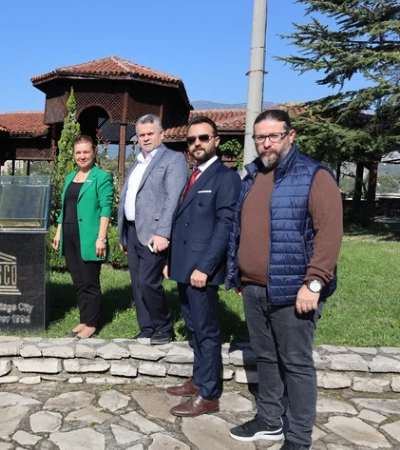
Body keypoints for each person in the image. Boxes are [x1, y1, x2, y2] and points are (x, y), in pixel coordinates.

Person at [226, 110, 342, 450]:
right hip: (254, 287)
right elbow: (241, 229)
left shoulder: (313, 175)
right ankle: (269, 420)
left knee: (296, 363)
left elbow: (330, 232)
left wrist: (315, 282)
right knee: (266, 356)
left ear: (290, 136)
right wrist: (238, 272)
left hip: (295, 291)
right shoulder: (252, 176)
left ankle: (298, 438)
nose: (265, 143)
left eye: (273, 136)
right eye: (259, 137)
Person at [162, 116, 241, 417]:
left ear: (216, 140)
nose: (197, 144)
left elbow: (225, 225)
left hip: (201, 272)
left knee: (207, 331)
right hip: (184, 267)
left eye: (203, 138)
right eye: (192, 140)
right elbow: (182, 224)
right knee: (194, 329)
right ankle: (198, 380)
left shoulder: (225, 177)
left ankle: (209, 394)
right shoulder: (194, 176)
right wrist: (171, 262)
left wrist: (205, 268)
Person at [117, 114, 187, 344]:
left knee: (149, 281)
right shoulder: (138, 161)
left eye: (150, 134)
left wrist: (163, 233)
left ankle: (163, 328)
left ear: (161, 134)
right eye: (142, 135)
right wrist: (122, 233)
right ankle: (146, 327)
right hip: (132, 230)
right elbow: (128, 196)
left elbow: (173, 198)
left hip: (154, 232)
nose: (146, 138)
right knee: (137, 283)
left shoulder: (173, 159)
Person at [52, 135, 114, 339]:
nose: (82, 156)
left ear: (94, 152)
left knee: (90, 281)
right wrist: (59, 233)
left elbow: (106, 209)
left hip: (88, 236)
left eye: (86, 152)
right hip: (69, 235)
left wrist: (101, 238)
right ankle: (84, 319)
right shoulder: (70, 177)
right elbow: (65, 208)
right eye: (78, 152)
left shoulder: (101, 177)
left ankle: (92, 324)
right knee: (78, 281)